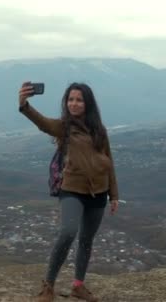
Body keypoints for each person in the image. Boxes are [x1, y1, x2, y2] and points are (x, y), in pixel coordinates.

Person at [18, 81, 119, 302]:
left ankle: (78, 286)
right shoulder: (64, 127)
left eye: (79, 100)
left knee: (86, 240)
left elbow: (108, 162)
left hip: (99, 193)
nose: (74, 103)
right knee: (68, 232)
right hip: (72, 190)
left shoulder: (99, 131)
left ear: (87, 103)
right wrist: (24, 105)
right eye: (70, 99)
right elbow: (43, 124)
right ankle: (48, 287)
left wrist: (114, 195)